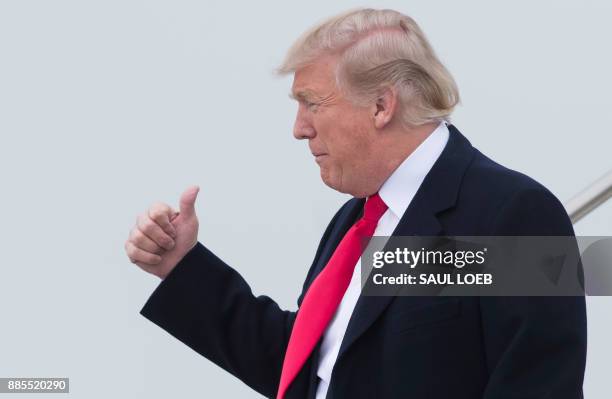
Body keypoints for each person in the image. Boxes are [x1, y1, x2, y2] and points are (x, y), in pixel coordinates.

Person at [124, 8, 587, 399]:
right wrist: (181, 266)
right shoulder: (355, 220)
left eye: (311, 103)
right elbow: (310, 370)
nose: (299, 128)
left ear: (381, 106)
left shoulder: (514, 213)